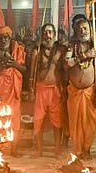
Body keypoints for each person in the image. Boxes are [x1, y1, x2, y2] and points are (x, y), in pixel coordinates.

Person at [25, 23, 67, 157]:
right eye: (45, 32)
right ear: (41, 35)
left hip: (55, 90)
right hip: (41, 89)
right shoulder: (37, 51)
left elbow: (64, 70)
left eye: (50, 32)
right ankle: (39, 149)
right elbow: (31, 73)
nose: (47, 35)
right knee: (39, 120)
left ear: (54, 35)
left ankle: (57, 150)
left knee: (57, 121)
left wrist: (65, 89)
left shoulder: (60, 51)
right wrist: (31, 90)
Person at [66, 16, 96, 159]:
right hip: (74, 90)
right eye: (80, 29)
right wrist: (84, 56)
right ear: (75, 31)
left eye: (85, 28)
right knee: (74, 122)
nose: (82, 31)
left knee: (91, 122)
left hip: (91, 90)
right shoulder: (72, 45)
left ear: (90, 30)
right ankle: (78, 151)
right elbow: (67, 63)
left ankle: (87, 149)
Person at [0, 25, 26, 156]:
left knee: (14, 119)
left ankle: (14, 149)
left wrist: (13, 63)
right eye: (1, 38)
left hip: (13, 91)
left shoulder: (18, 50)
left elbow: (25, 70)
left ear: (10, 38)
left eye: (6, 37)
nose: (4, 40)